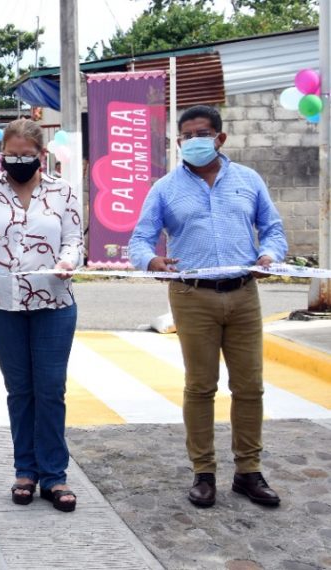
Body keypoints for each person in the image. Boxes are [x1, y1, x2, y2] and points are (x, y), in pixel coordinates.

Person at [129, 105, 287, 509]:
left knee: (249, 386)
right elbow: (140, 239)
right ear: (179, 142)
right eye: (186, 136)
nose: (193, 141)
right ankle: (204, 473)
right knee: (200, 387)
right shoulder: (165, 188)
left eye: (202, 133)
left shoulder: (248, 181)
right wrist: (152, 261)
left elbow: (272, 229)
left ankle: (248, 472)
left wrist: (270, 254)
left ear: (220, 138)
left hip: (244, 294)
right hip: (191, 295)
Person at [0, 118, 82, 513]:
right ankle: (25, 471)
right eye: (12, 155)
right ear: (0, 156)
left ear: (41, 156)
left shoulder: (62, 193)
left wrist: (67, 261)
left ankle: (55, 475)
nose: (19, 161)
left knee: (50, 388)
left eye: (27, 155)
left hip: (54, 303)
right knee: (20, 389)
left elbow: (75, 239)